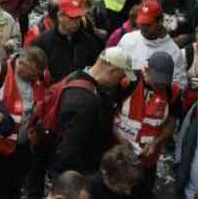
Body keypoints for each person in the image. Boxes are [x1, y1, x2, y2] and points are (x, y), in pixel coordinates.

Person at [44, 48, 136, 181]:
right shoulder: (85, 101)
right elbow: (70, 148)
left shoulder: (77, 76)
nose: (120, 81)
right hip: (78, 175)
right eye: (121, 77)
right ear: (112, 71)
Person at [111, 51, 182, 198]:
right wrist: (120, 139)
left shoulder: (173, 92)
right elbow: (108, 115)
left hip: (147, 161)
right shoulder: (127, 81)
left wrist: (157, 142)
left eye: (163, 82)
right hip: (119, 156)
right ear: (146, 70)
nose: (159, 86)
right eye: (157, 81)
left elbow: (172, 122)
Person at [0, 47, 47, 199]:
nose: (35, 78)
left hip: (22, 146)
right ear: (22, 64)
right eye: (33, 73)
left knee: (15, 187)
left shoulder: (38, 79)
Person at [116, 0, 187, 88]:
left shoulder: (173, 52)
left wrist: (156, 84)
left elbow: (180, 86)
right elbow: (114, 69)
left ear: (160, 21)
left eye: (148, 25)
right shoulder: (128, 39)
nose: (143, 28)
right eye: (141, 23)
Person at [31, 0, 103, 83]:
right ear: (60, 16)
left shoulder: (89, 41)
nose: (76, 22)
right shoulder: (42, 42)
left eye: (78, 17)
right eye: (72, 17)